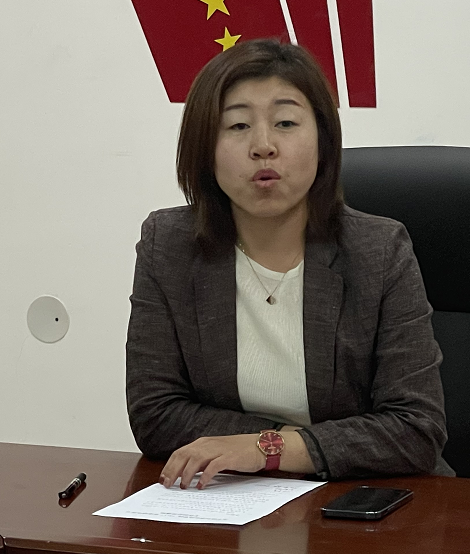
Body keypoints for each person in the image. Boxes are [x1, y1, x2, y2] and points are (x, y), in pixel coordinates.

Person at [126, 39, 452, 489]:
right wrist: (282, 445)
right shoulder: (169, 246)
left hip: (365, 499)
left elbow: (416, 429)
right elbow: (155, 414)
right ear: (204, 148)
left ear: (323, 141)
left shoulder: (378, 250)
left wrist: (267, 449)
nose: (263, 146)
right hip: (230, 496)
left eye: (285, 123)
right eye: (237, 125)